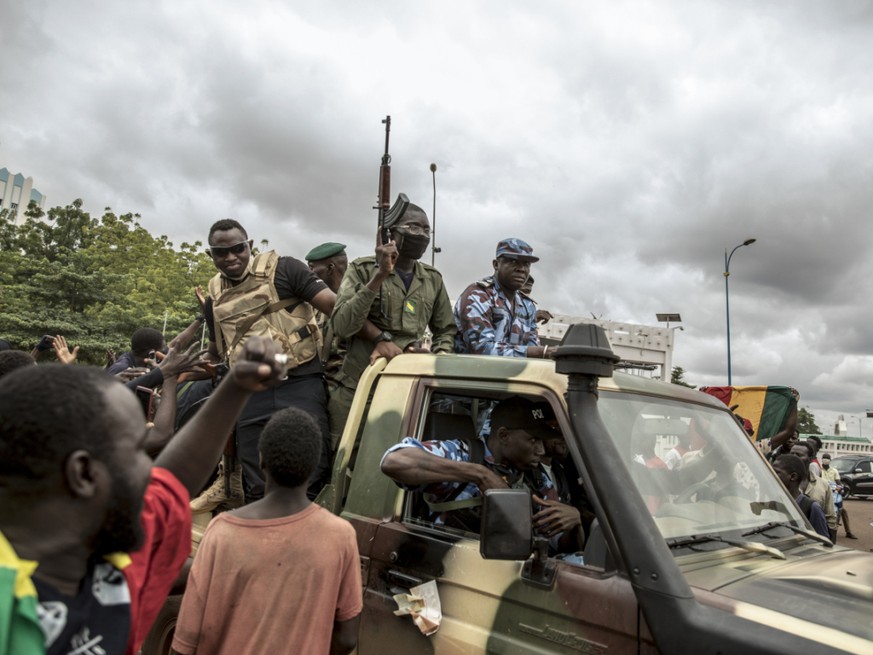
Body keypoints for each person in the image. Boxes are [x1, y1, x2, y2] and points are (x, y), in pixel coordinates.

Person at [0, 336, 286, 655]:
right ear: (83, 474)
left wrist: (237, 385)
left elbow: (174, 478)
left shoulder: (100, 562)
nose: (150, 471)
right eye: (136, 450)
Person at [171, 407, 362, 655]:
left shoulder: (223, 532)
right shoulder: (340, 534)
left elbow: (187, 638)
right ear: (315, 464)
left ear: (261, 459)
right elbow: (347, 640)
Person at [204, 218, 336, 502]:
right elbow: (215, 350)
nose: (230, 257)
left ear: (249, 245)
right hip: (252, 393)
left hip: (300, 381)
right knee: (256, 482)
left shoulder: (286, 269)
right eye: (220, 252)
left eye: (237, 249)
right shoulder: (213, 293)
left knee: (312, 472)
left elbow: (335, 308)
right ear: (210, 255)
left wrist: (379, 339)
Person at [330, 199, 455, 437]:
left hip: (405, 391)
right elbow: (342, 325)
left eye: (427, 230)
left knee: (395, 461)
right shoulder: (362, 269)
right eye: (414, 228)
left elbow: (446, 329)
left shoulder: (432, 279)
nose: (422, 236)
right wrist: (380, 275)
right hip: (358, 388)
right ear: (391, 233)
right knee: (346, 462)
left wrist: (438, 358)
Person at [380, 396, 559, 533]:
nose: (541, 450)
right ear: (504, 436)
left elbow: (554, 543)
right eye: (533, 440)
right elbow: (394, 460)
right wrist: (480, 474)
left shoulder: (535, 477)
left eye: (541, 441)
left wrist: (574, 524)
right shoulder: (463, 454)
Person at [454, 238, 551, 358]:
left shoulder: (527, 306)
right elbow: (482, 349)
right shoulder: (478, 295)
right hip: (468, 373)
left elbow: (533, 348)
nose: (521, 269)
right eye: (513, 261)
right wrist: (542, 352)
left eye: (526, 264)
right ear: (496, 265)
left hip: (510, 374)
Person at [306, 242, 350, 448]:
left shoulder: (353, 302)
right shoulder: (315, 304)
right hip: (321, 388)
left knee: (337, 446)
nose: (309, 272)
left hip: (345, 391)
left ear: (331, 267)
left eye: (312, 267)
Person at [773, 454, 829, 538]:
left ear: (793, 477)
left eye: (776, 472)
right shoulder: (772, 500)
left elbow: (822, 541)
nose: (772, 475)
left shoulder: (812, 507)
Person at [791, 441, 837, 542]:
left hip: (815, 542)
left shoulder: (823, 485)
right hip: (789, 539)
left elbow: (830, 517)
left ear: (810, 458)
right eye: (792, 454)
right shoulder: (782, 483)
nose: (794, 458)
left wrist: (832, 542)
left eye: (799, 455)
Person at [821, 453, 857, 539]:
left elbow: (838, 483)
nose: (826, 460)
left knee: (842, 510)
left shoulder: (834, 471)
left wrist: (842, 489)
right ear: (822, 459)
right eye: (824, 458)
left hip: (833, 494)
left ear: (830, 460)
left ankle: (848, 532)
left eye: (827, 458)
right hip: (822, 493)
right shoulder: (819, 470)